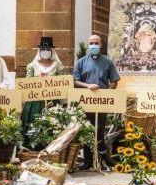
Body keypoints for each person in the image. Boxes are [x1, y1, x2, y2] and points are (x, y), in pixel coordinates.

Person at [72, 33, 120, 169]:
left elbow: (115, 80)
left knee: (99, 130)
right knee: (87, 130)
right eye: (91, 43)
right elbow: (75, 81)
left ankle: (103, 158)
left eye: (96, 43)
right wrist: (88, 86)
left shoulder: (107, 62)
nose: (93, 45)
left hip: (102, 102)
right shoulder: (81, 62)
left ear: (100, 45)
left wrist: (107, 93)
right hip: (85, 102)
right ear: (88, 45)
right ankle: (87, 161)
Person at [21, 36, 65, 132]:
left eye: (48, 49)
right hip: (35, 101)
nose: (46, 51)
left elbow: (62, 84)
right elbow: (27, 83)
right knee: (33, 123)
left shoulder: (57, 66)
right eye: (43, 49)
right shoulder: (32, 65)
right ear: (40, 50)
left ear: (52, 51)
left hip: (52, 100)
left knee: (52, 124)